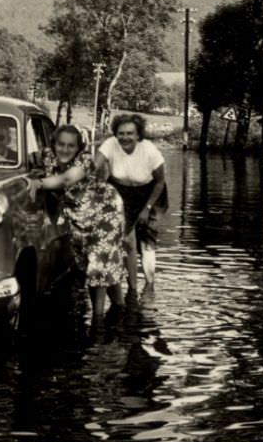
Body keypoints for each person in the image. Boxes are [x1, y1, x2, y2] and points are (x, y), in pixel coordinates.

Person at [27, 125, 125, 320]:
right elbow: (24, 159)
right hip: (79, 218)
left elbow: (66, 180)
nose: (64, 149)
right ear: (53, 144)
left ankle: (97, 325)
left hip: (105, 212)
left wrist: (39, 183)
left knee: (97, 267)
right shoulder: (46, 157)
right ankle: (122, 310)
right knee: (99, 267)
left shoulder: (85, 160)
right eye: (60, 144)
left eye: (70, 146)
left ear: (78, 148)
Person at [96, 113, 167, 294]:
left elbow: (159, 181)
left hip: (150, 192)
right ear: (115, 134)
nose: (125, 138)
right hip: (121, 191)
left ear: (138, 135)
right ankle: (132, 289)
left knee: (146, 239)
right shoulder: (110, 144)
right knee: (125, 238)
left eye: (130, 133)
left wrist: (147, 208)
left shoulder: (149, 150)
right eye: (121, 133)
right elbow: (94, 166)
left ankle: (150, 285)